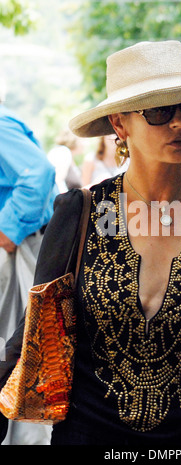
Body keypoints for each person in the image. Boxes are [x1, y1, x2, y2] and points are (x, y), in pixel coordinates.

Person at [1, 39, 181, 447]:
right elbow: (31, 335)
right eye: (159, 111)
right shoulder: (80, 212)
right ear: (121, 125)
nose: (179, 123)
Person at [0, 99, 58, 444]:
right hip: (15, 248)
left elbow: (39, 173)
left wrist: (7, 230)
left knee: (20, 356)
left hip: (16, 251)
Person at [47, 128, 83, 192]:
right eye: (82, 139)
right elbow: (58, 181)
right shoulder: (63, 152)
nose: (85, 143)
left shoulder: (69, 156)